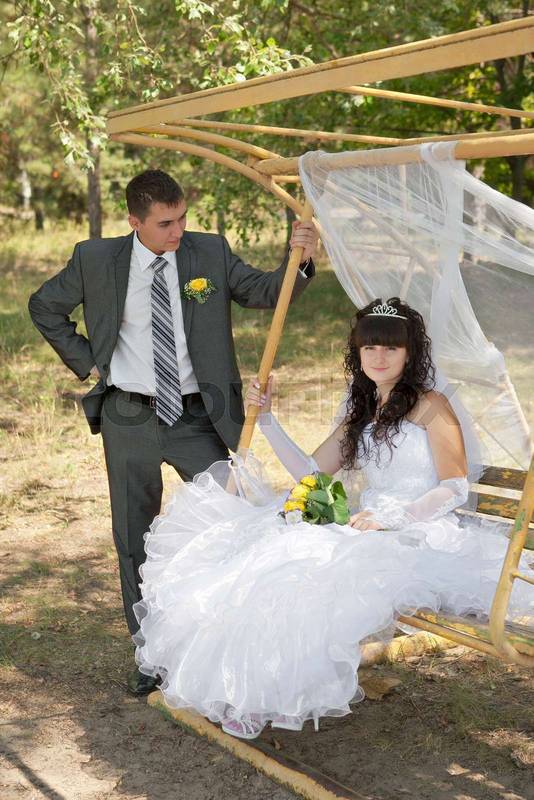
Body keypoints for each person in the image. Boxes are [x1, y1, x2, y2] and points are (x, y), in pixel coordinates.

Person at [132, 297, 533, 739]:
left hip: (417, 529)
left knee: (314, 582)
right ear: (357, 353)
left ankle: (265, 697)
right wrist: (267, 421)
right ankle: (244, 692)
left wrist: (394, 518)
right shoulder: (362, 411)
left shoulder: (432, 406)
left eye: (391, 348)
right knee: (269, 565)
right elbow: (310, 472)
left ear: (410, 353)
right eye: (369, 348)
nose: (379, 357)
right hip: (366, 526)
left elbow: (453, 487)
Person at [27, 169, 318, 696]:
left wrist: (299, 260)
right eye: (165, 223)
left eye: (182, 217)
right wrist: (87, 362)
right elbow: (43, 305)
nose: (178, 230)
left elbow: (264, 292)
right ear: (134, 221)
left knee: (232, 515)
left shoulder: (209, 252)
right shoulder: (95, 259)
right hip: (128, 414)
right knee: (133, 534)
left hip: (197, 415)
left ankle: (222, 636)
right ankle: (150, 652)